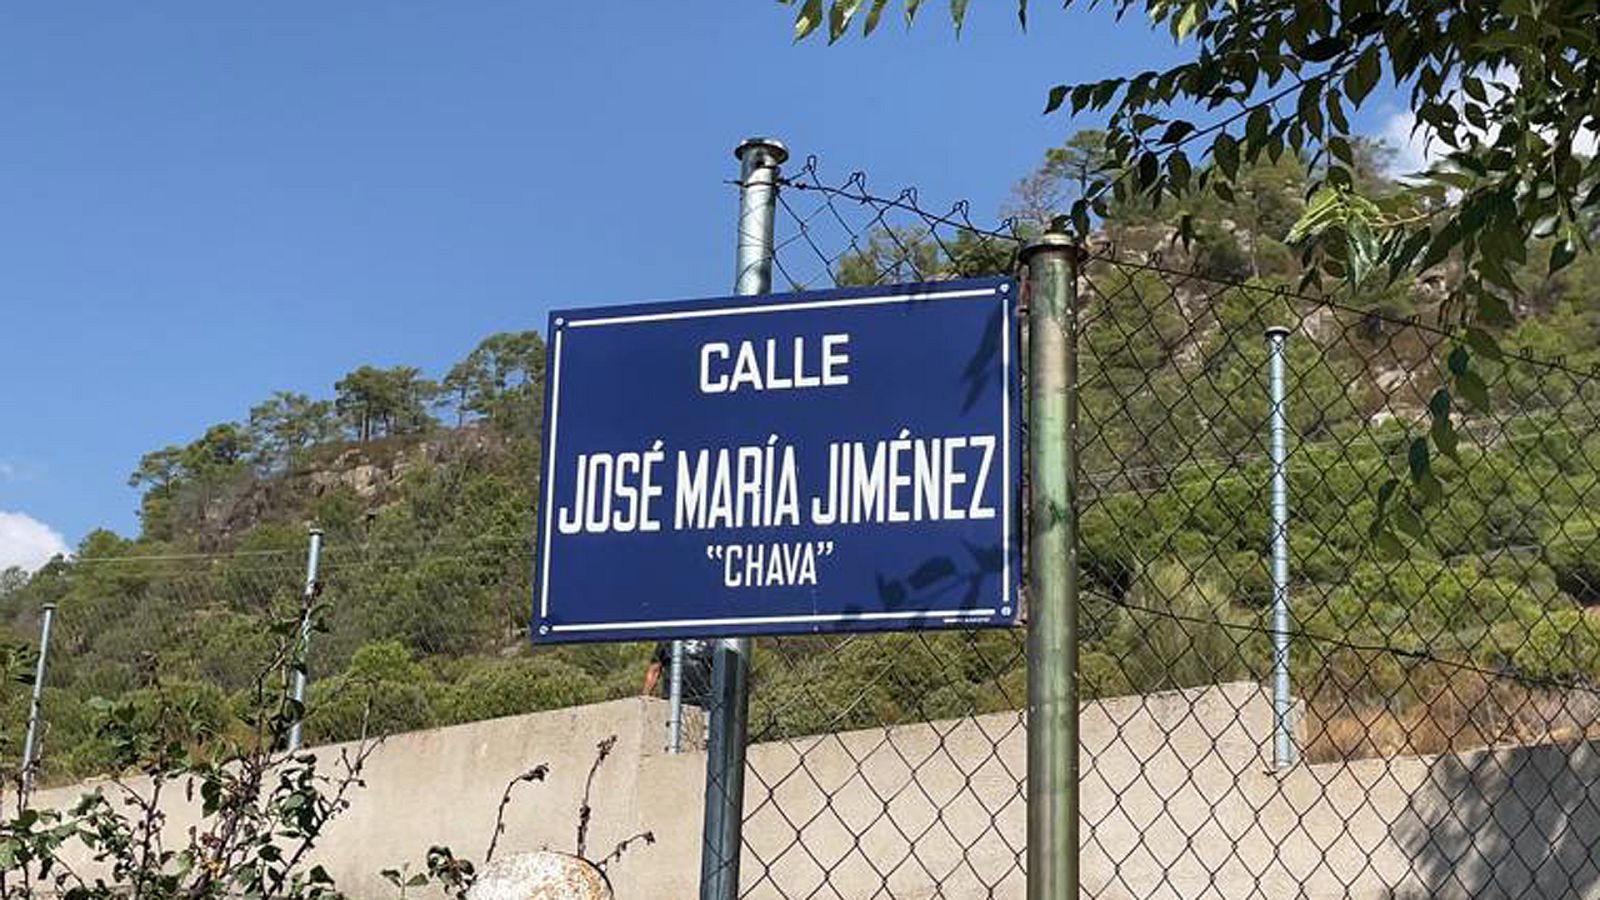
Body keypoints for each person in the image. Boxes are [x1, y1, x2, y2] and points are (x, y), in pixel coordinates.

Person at [641, 639, 715, 708]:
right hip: (672, 700)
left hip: (703, 702)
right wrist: (645, 696)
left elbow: (719, 671)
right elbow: (654, 669)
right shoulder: (668, 639)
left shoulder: (712, 640)